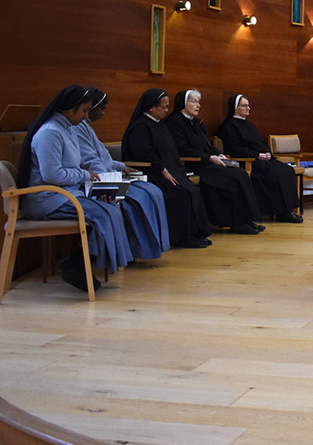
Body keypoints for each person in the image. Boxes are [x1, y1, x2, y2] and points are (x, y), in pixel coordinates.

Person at [17, 85, 132, 291]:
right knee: (103, 212)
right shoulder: (50, 132)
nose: (87, 115)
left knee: (111, 204)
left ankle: (80, 261)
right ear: (70, 109)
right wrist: (85, 175)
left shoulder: (66, 129)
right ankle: (78, 264)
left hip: (66, 194)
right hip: (46, 199)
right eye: (84, 111)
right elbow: (52, 175)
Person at [73, 86, 171, 260]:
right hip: (98, 179)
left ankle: (150, 247)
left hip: (107, 173)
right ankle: (134, 250)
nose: (102, 113)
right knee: (139, 197)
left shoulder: (86, 127)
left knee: (151, 190)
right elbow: (90, 161)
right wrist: (109, 179)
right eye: (101, 108)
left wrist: (120, 167)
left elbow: (102, 156)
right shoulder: (78, 128)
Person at [121, 89, 213, 249]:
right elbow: (144, 154)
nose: (166, 110)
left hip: (168, 171)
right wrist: (163, 171)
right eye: (163, 107)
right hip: (151, 173)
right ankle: (182, 237)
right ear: (151, 107)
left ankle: (195, 234)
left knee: (191, 189)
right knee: (180, 193)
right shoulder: (140, 126)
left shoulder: (160, 125)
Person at [166, 89, 263, 235]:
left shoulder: (197, 122)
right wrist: (209, 158)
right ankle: (235, 223)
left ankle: (245, 219)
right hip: (194, 165)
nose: (198, 105)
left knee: (240, 173)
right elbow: (182, 149)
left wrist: (220, 155)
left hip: (207, 163)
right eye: (193, 102)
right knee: (233, 178)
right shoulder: (175, 122)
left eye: (198, 102)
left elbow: (208, 146)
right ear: (183, 104)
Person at [215, 94, 302, 223]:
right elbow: (234, 149)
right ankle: (281, 212)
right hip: (248, 161)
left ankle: (287, 210)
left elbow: (261, 143)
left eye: (248, 105)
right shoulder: (228, 126)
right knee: (276, 173)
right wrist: (257, 155)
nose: (248, 108)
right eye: (244, 106)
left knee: (287, 170)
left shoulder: (250, 125)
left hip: (261, 159)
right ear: (235, 109)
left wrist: (267, 153)